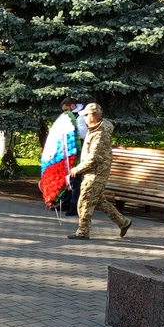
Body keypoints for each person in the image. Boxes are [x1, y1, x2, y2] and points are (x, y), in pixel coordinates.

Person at [68, 103, 133, 240]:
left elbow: (94, 157)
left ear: (92, 116)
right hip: (93, 171)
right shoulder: (94, 129)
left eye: (86, 115)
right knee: (98, 201)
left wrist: (77, 169)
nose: (84, 118)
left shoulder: (100, 133)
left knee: (84, 201)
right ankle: (123, 222)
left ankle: (83, 232)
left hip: (96, 173)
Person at [58, 97, 87, 216]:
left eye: (66, 110)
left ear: (72, 106)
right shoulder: (69, 116)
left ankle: (74, 207)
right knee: (67, 178)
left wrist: (69, 130)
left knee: (75, 180)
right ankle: (66, 202)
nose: (65, 113)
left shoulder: (81, 116)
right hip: (69, 152)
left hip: (79, 153)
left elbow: (82, 133)